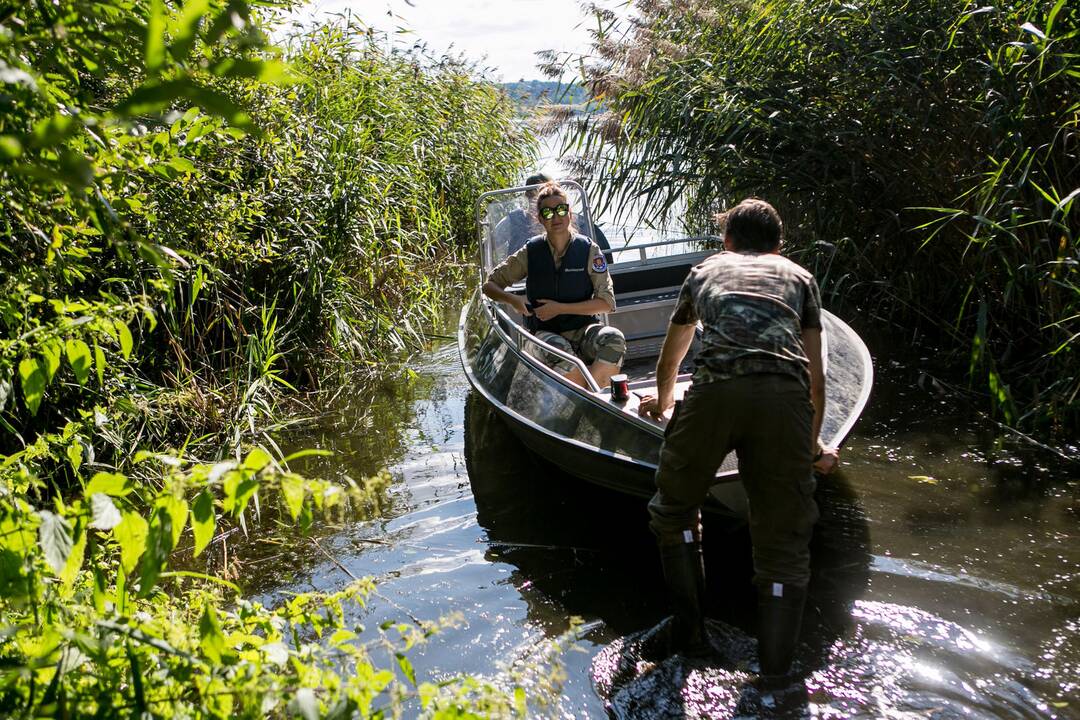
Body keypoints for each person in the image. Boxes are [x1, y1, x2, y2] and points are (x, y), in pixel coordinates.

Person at [636, 198, 840, 681]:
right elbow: (815, 378)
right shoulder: (800, 278)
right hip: (783, 401)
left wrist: (663, 405)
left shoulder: (705, 271)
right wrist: (811, 450)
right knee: (783, 544)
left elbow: (671, 360)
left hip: (715, 394)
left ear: (727, 240)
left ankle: (691, 636)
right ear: (779, 243)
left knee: (674, 511)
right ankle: (775, 678)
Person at [482, 182, 626, 390]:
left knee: (614, 339)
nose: (555, 217)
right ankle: (591, 400)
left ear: (569, 213)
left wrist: (560, 308)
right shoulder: (530, 252)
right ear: (539, 219)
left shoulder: (589, 251)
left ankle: (594, 400)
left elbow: (606, 303)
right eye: (547, 213)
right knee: (559, 349)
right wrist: (513, 299)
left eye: (560, 210)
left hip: (582, 331)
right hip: (543, 336)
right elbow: (490, 286)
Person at [493, 172, 549, 257]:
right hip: (519, 269)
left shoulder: (559, 219)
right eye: (537, 192)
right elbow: (487, 247)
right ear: (527, 194)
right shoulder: (514, 219)